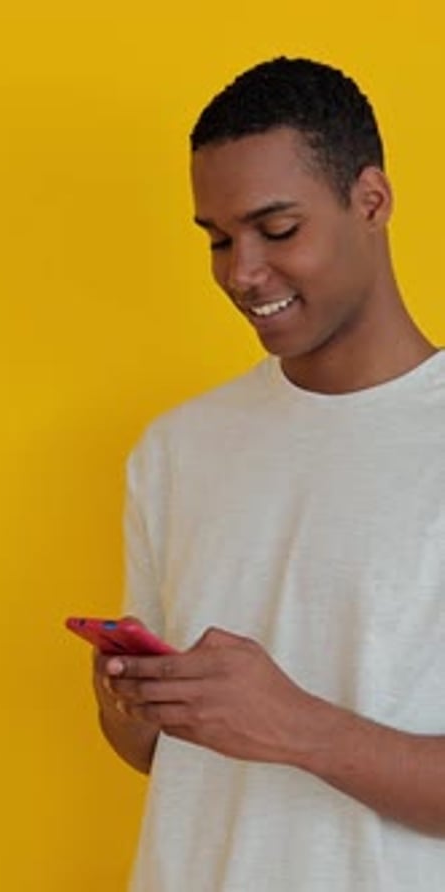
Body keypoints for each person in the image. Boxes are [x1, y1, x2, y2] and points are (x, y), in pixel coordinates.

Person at [93, 57, 445, 890]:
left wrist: (295, 726)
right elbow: (157, 757)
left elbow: (272, 731)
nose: (240, 272)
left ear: (372, 201)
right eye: (217, 238)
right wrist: (132, 703)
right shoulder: (178, 448)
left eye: (276, 230)